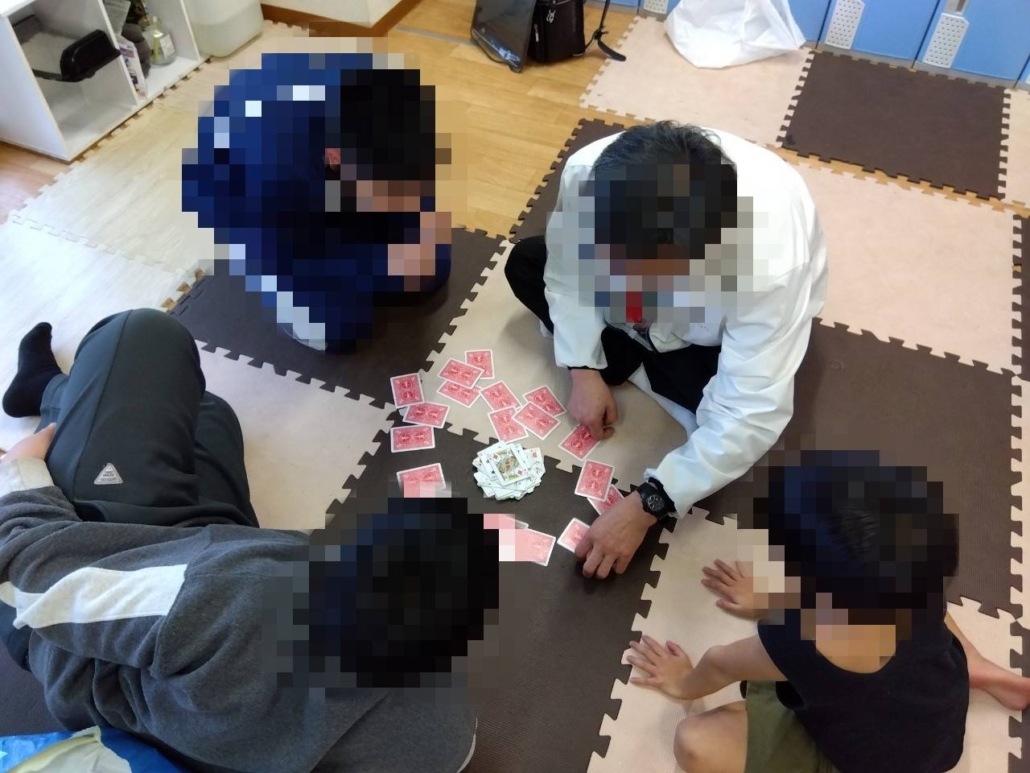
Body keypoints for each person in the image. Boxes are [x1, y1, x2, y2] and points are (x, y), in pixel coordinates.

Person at [0, 311, 497, 773]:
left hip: (83, 642)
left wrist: (20, 472)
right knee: (208, 414)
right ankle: (52, 391)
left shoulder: (245, 603)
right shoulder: (445, 738)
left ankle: (52, 397)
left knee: (140, 333)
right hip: (209, 627)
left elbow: (32, 570)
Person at [505, 121, 828, 579]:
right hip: (658, 309)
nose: (626, 283)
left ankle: (635, 355)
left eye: (646, 273)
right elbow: (565, 270)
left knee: (734, 423)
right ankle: (634, 355)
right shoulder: (588, 173)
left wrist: (648, 503)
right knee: (526, 262)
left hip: (717, 332)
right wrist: (582, 369)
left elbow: (748, 411)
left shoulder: (770, 265)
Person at [626, 452, 1030, 773]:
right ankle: (974, 664)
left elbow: (718, 663)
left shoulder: (799, 644)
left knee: (694, 742)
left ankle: (973, 667)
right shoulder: (916, 576)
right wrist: (775, 595)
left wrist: (683, 683)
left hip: (869, 761)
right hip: (936, 703)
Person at [182, 54, 452, 353]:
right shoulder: (267, 177)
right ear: (337, 157)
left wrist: (419, 236)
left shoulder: (392, 97)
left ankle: (359, 238)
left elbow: (416, 186)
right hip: (250, 205)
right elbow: (286, 257)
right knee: (334, 330)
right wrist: (378, 265)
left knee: (434, 268)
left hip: (323, 172)